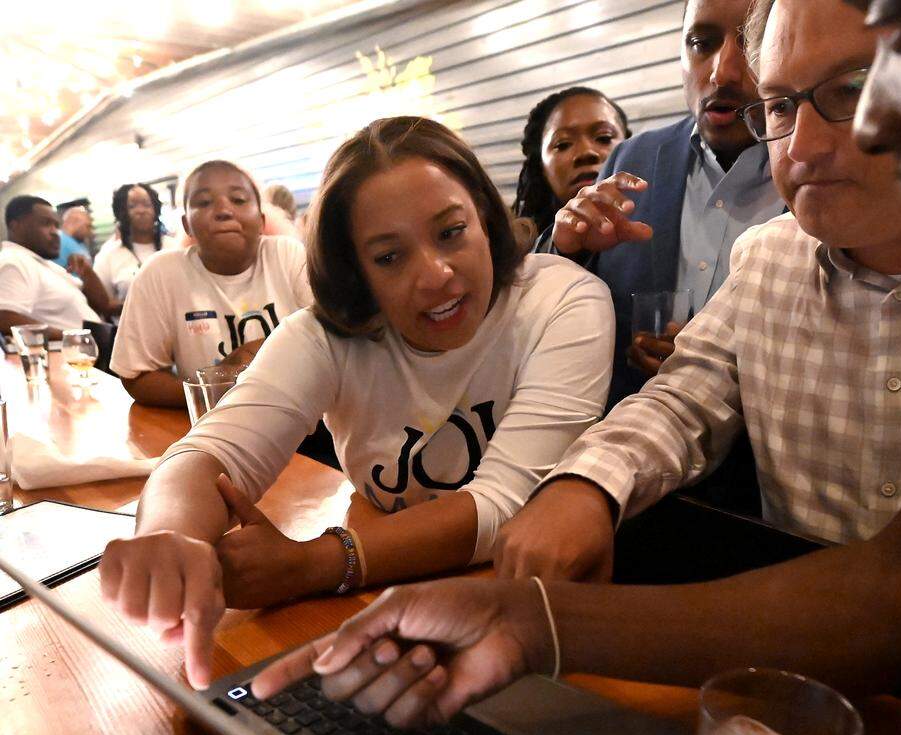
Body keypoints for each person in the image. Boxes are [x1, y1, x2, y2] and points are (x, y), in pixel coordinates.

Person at [249, 0, 901, 735]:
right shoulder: (769, 262)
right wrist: (581, 489)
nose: (815, 144)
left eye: (855, 87)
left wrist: (528, 618)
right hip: (809, 723)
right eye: (781, 106)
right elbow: (681, 401)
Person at [99, 116, 615, 693]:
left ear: (484, 216)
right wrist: (173, 538)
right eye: (389, 257)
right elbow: (209, 451)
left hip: (530, 622)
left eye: (451, 232)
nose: (437, 275)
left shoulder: (562, 300)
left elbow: (506, 506)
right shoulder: (322, 337)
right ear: (356, 271)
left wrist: (314, 564)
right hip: (384, 610)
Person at [550, 0, 786, 405]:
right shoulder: (632, 159)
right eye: (701, 43)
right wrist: (568, 249)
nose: (722, 71)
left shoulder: (813, 166)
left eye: (752, 44)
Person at [109, 160, 312, 407]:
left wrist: (268, 348)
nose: (224, 210)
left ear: (261, 220)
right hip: (214, 427)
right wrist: (214, 391)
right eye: (204, 202)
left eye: (238, 199)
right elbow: (136, 376)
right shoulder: (161, 272)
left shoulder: (287, 255)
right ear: (186, 225)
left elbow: (333, 338)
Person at [512, 87, 630, 246]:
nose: (586, 153)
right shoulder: (516, 257)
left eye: (604, 138)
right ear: (541, 166)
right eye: (563, 144)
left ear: (630, 147)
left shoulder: (668, 216)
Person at [0, 195, 112, 338]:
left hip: (97, 351)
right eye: (46, 224)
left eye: (56, 225)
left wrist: (87, 272)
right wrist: (74, 339)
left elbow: (103, 304)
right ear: (15, 226)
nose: (55, 232)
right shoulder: (14, 261)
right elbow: (5, 318)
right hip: (75, 357)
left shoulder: (43, 264)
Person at [93, 182, 176, 301]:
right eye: (132, 206)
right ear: (121, 212)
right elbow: (104, 304)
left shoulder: (174, 247)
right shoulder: (108, 255)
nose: (141, 211)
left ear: (156, 209)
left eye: (147, 205)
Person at [53, 206, 93, 270]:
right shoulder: (58, 242)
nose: (90, 232)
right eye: (87, 226)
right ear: (73, 222)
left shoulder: (78, 241)